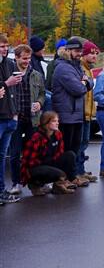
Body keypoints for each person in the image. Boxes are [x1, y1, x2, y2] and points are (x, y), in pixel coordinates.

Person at [8, 43, 45, 196]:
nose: (27, 61)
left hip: (33, 120)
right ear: (16, 58)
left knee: (33, 153)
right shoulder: (10, 74)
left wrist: (39, 103)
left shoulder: (36, 74)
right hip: (15, 119)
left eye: (28, 58)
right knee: (15, 153)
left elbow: (43, 93)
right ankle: (16, 183)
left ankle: (34, 183)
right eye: (23, 58)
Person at [51, 36, 93, 164]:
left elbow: (90, 83)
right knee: (66, 150)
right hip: (66, 115)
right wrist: (84, 83)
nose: (79, 54)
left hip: (76, 114)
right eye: (76, 51)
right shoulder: (63, 68)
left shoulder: (77, 66)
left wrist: (84, 82)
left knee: (75, 149)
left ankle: (72, 176)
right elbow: (78, 89)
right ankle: (63, 178)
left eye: (80, 51)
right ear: (68, 51)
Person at [21, 111, 79, 195]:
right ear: (46, 123)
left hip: (50, 162)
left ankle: (60, 184)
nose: (57, 123)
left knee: (70, 155)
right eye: (54, 121)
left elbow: (60, 152)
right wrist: (49, 166)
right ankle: (35, 185)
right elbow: (29, 162)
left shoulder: (58, 134)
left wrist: (54, 166)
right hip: (36, 168)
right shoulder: (37, 137)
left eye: (58, 121)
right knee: (59, 173)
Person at [0, 33, 24, 204]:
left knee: (2, 157)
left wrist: (15, 113)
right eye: (1, 46)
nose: (5, 49)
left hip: (10, 116)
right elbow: (6, 86)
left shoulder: (9, 63)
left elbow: (15, 92)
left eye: (6, 46)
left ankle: (1, 190)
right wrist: (6, 83)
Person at [77, 40, 99, 183]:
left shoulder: (89, 69)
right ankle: (78, 172)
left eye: (96, 53)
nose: (95, 56)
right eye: (92, 53)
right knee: (80, 143)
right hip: (81, 112)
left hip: (88, 112)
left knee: (85, 142)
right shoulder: (80, 69)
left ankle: (81, 170)